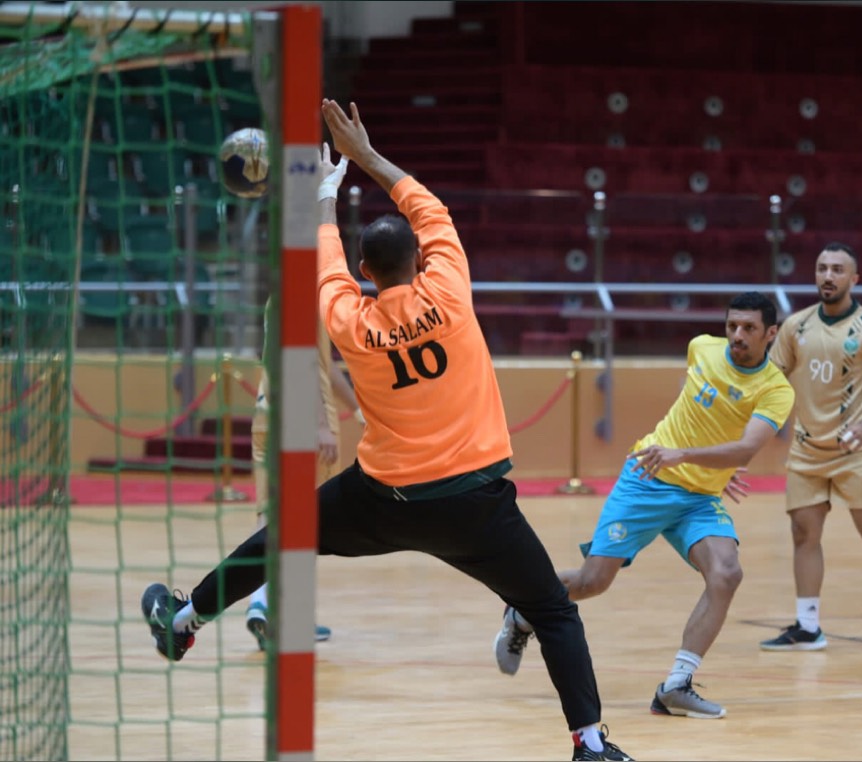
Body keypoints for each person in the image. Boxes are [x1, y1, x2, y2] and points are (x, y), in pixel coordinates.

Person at [140, 98, 632, 762]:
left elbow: (326, 264)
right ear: (421, 260)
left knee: (282, 537)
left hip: (385, 499)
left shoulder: (350, 320)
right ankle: (590, 745)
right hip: (477, 504)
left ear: (367, 274)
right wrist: (365, 156)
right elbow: (429, 208)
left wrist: (323, 192)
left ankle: (182, 622)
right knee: (552, 613)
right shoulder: (450, 288)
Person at [494, 291, 794, 720]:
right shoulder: (702, 347)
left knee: (727, 573)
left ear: (771, 333)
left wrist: (700, 459)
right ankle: (522, 612)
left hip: (697, 498)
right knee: (593, 581)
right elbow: (693, 398)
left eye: (749, 328)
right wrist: (693, 452)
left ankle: (676, 686)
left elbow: (746, 448)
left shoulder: (776, 390)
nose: (737, 335)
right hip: (648, 477)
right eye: (732, 326)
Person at [759, 242, 862, 652]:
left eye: (837, 269)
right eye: (822, 268)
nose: (828, 276)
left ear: (854, 279)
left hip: (856, 449)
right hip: (807, 449)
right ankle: (808, 625)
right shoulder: (795, 327)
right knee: (804, 533)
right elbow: (770, 378)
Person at [244, 295, 361, 649]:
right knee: (308, 521)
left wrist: (358, 407)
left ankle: (260, 602)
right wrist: (321, 425)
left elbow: (323, 364)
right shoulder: (309, 294)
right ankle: (287, 613)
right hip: (304, 419)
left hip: (266, 415)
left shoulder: (275, 296)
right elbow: (306, 363)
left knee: (268, 515)